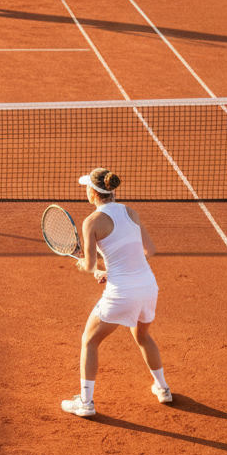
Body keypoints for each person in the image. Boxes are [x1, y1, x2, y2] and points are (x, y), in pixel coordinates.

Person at [61, 167, 172, 418]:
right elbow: (149, 250)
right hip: (148, 288)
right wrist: (109, 271)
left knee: (89, 341)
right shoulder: (131, 212)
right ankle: (163, 389)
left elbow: (88, 264)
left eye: (86, 187)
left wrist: (85, 267)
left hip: (121, 293)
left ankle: (86, 404)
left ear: (92, 192)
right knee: (143, 337)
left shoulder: (91, 222)